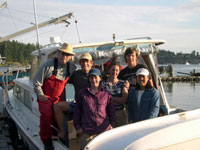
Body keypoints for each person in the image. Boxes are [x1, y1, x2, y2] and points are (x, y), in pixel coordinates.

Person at [33, 43, 76, 150]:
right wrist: (41, 95)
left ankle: (62, 134)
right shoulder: (47, 65)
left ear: (71, 56)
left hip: (60, 97)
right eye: (63, 53)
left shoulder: (72, 67)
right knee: (46, 115)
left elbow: (71, 83)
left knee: (67, 112)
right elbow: (36, 82)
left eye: (68, 54)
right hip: (46, 96)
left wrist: (71, 98)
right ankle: (46, 140)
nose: (65, 56)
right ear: (58, 53)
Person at [53, 53, 93, 146]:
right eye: (82, 61)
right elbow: (62, 81)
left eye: (87, 61)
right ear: (80, 63)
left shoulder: (97, 74)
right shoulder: (75, 74)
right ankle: (62, 133)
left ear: (91, 62)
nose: (85, 63)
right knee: (57, 106)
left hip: (92, 107)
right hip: (77, 105)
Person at [73, 68, 115, 150]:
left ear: (100, 78)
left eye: (96, 77)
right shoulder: (82, 94)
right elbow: (77, 111)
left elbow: (111, 111)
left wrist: (112, 125)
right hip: (87, 132)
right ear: (89, 79)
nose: (93, 80)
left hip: (104, 132)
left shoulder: (106, 94)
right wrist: (78, 127)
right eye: (91, 78)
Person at [101, 60, 128, 127]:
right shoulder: (103, 84)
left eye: (117, 70)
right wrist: (118, 99)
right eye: (113, 70)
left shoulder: (122, 83)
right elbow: (103, 100)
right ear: (109, 70)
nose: (114, 72)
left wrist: (110, 99)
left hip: (120, 113)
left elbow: (125, 99)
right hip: (107, 114)